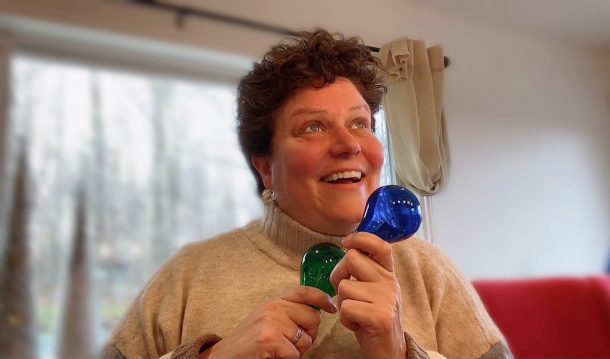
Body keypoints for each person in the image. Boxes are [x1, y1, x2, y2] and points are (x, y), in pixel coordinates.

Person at [102, 30, 510, 359]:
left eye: (360, 123)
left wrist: (401, 355)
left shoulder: (430, 275)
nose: (349, 145)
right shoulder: (186, 277)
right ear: (265, 166)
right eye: (312, 126)